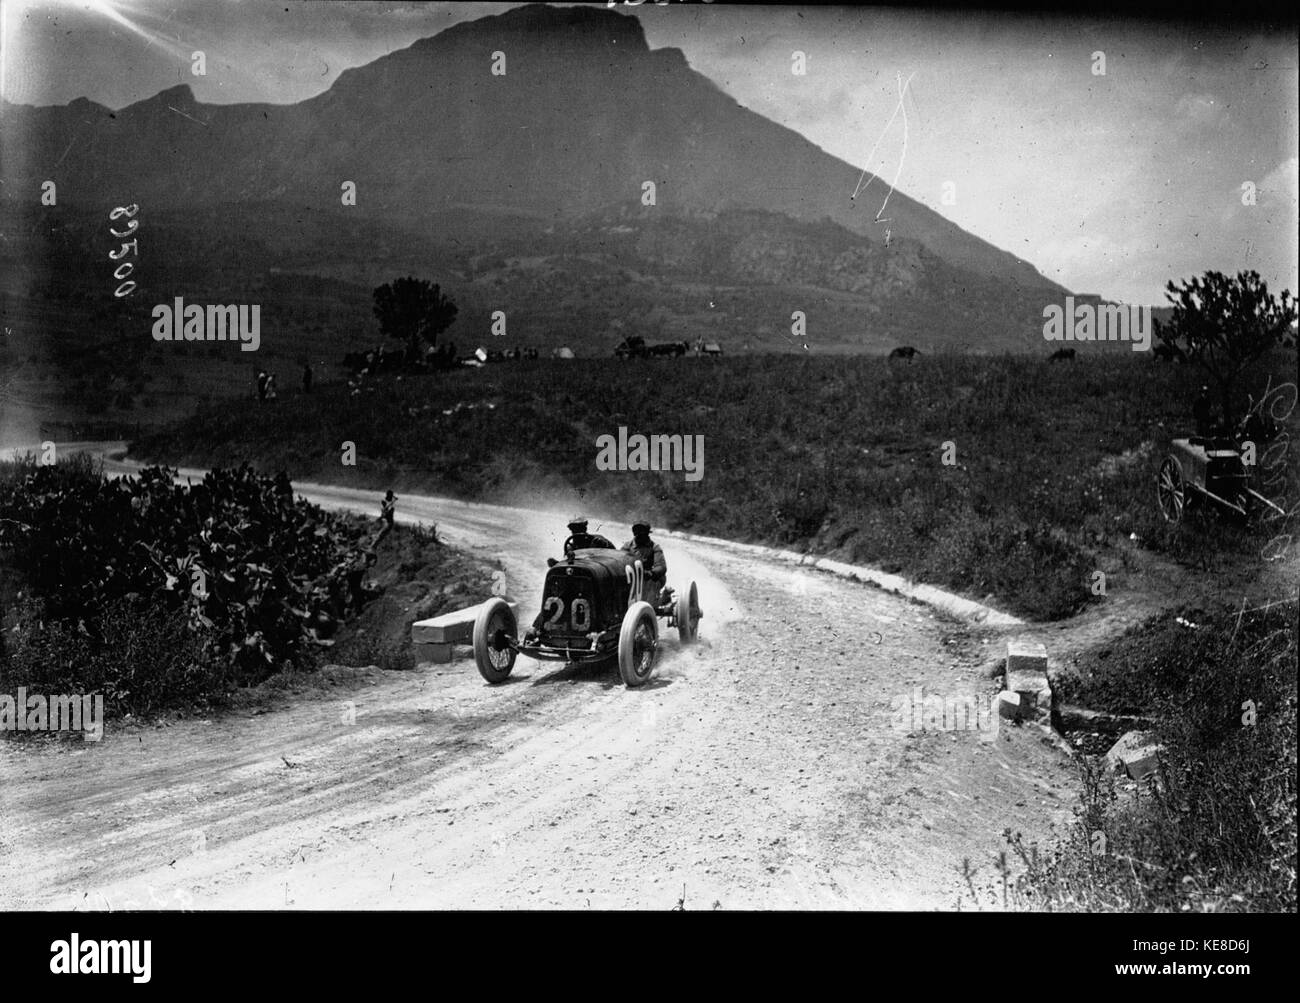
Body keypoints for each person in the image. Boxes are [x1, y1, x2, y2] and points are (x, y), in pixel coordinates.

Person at [622, 519, 667, 605]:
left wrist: (650, 573)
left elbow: (661, 566)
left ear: (647, 533)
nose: (639, 534)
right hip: (632, 577)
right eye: (637, 532)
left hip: (650, 578)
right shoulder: (627, 546)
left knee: (649, 584)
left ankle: (648, 605)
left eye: (642, 532)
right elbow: (619, 561)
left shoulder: (655, 547)